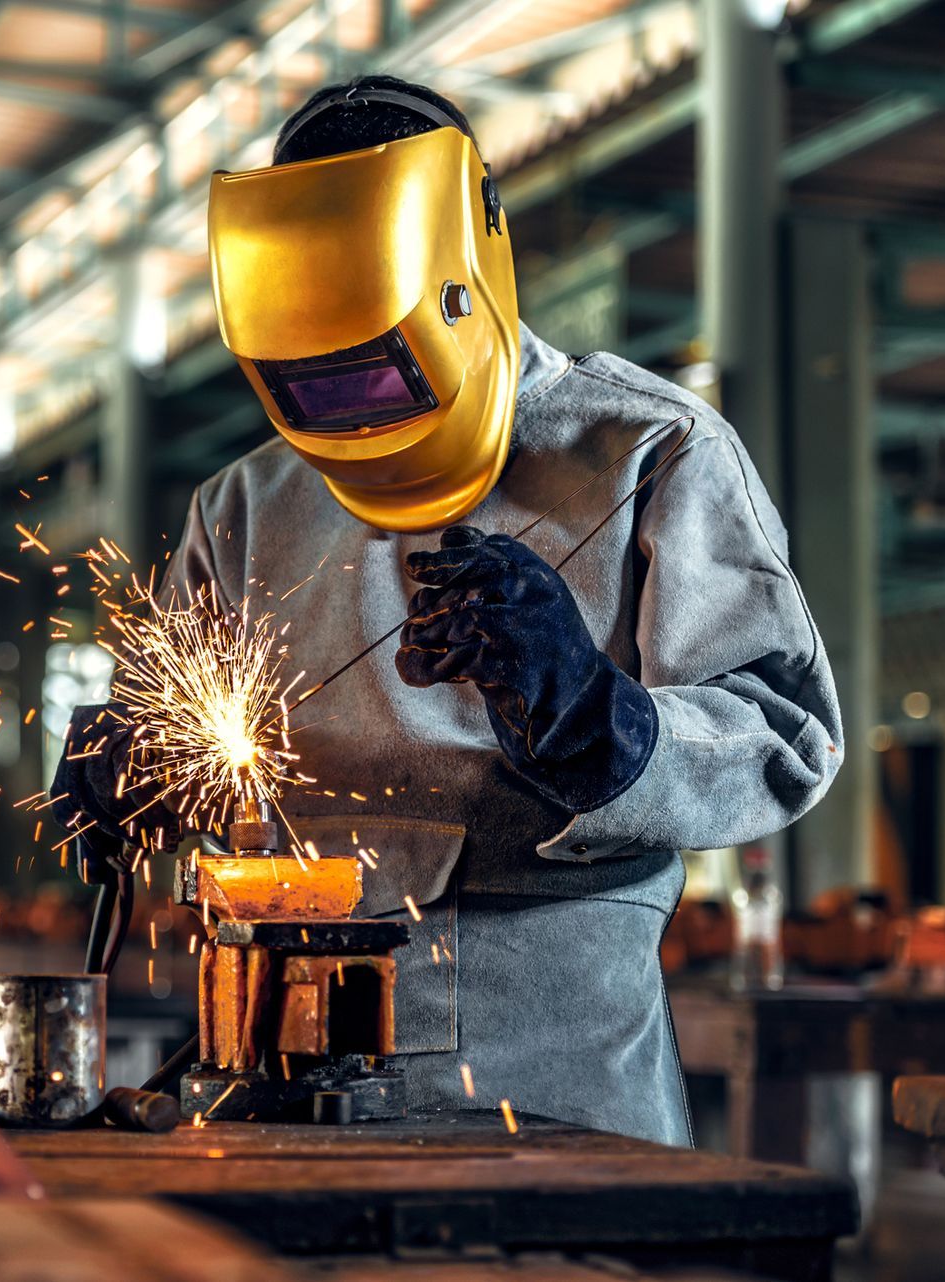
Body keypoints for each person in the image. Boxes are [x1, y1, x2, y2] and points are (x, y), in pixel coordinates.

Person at [50, 76, 842, 1145]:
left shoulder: (649, 452)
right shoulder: (245, 505)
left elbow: (785, 737)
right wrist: (138, 772)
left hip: (551, 1088)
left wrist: (598, 716)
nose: (356, 420)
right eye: (313, 390)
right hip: (273, 1082)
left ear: (471, 270)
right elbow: (184, 734)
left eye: (381, 374)